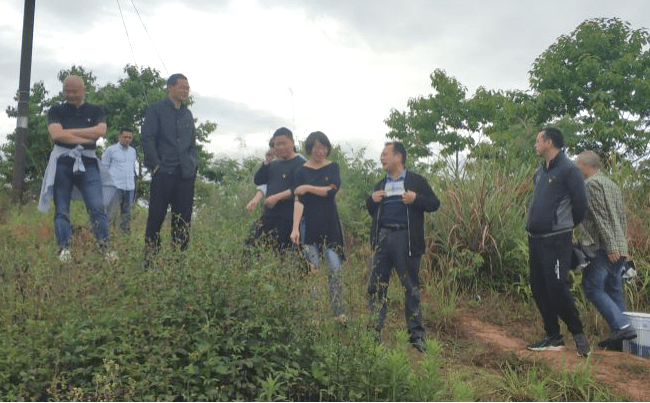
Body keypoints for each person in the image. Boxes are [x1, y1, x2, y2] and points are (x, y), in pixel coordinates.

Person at [366, 141, 440, 352]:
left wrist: (416, 198)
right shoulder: (380, 184)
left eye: (385, 154)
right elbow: (372, 211)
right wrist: (371, 200)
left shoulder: (416, 181)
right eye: (382, 154)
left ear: (398, 157)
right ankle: (373, 333)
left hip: (406, 239)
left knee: (410, 287)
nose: (382, 158)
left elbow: (434, 204)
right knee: (377, 287)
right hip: (383, 238)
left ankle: (416, 336)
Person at [525, 127, 590, 357]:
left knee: (557, 287)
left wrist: (565, 226)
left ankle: (578, 335)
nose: (535, 145)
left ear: (549, 142)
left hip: (557, 240)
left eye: (538, 140)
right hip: (535, 239)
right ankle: (553, 336)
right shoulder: (540, 172)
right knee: (538, 287)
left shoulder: (569, 170)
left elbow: (581, 204)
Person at [37, 75, 114, 262]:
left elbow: (101, 131)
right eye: (66, 90)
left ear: (83, 90)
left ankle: (104, 248)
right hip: (63, 162)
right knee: (62, 208)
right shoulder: (56, 110)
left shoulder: (95, 109)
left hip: (88, 162)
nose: (70, 94)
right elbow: (56, 134)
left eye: (74, 90)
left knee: (97, 206)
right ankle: (64, 249)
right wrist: (86, 138)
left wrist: (68, 132)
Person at [575, 151, 636, 350]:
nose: (576, 168)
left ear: (585, 164)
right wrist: (621, 245)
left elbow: (601, 218)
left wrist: (611, 246)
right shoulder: (612, 185)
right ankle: (620, 340)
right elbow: (621, 218)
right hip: (618, 246)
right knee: (613, 288)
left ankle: (622, 326)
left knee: (593, 287)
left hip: (602, 247)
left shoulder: (590, 185)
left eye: (577, 164)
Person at [141, 73, 197, 265]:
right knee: (155, 218)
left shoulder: (187, 114)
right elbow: (147, 139)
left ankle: (178, 263)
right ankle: (150, 262)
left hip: (185, 175)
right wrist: (156, 165)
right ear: (170, 88)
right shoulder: (155, 110)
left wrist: (192, 164)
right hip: (163, 173)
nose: (185, 91)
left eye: (187, 88)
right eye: (182, 87)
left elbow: (192, 144)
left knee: (182, 221)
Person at [290, 131, 345, 318]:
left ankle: (339, 314)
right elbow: (298, 201)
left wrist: (307, 188)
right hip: (308, 227)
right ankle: (313, 316)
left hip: (330, 226)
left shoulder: (333, 168)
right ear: (309, 149)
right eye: (316, 148)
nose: (320, 151)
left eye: (323, 147)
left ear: (327, 149)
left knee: (334, 268)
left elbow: (331, 192)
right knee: (312, 271)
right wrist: (295, 227)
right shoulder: (300, 172)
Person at [251, 127, 305, 251]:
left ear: (292, 142)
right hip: (269, 216)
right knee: (251, 248)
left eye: (283, 143)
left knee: (286, 254)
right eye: (277, 144)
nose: (280, 147)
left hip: (289, 217)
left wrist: (277, 197)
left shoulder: (301, 163)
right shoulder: (273, 165)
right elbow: (258, 181)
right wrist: (267, 162)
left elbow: (299, 188)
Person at [102, 127, 137, 233]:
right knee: (110, 214)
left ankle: (125, 239)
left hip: (129, 187)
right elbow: (104, 168)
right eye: (125, 137)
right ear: (119, 137)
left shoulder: (133, 151)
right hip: (115, 187)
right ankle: (106, 238)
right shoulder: (111, 150)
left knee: (126, 215)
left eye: (130, 137)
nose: (127, 139)